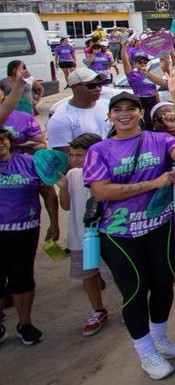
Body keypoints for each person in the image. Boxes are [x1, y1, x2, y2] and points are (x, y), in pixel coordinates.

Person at [84, 91, 175, 380]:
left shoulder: (160, 140)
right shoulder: (99, 150)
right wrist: (153, 184)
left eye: (131, 109)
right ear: (110, 116)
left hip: (160, 225)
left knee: (162, 284)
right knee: (135, 290)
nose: (125, 114)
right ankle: (145, 352)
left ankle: (159, 337)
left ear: (140, 113)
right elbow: (101, 190)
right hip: (119, 234)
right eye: (118, 109)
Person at [0, 126, 59, 346]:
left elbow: (49, 193)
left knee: (21, 276)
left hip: (24, 230)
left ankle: (25, 324)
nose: (0, 143)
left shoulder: (30, 163)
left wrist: (54, 223)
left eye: (3, 138)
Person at [56, 133, 110, 336]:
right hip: (81, 236)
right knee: (89, 275)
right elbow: (66, 206)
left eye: (80, 155)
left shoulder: (109, 172)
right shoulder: (72, 175)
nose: (75, 160)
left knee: (115, 273)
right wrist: (62, 189)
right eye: (72, 155)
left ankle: (128, 306)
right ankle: (98, 309)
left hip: (106, 233)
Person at [46, 68, 111, 153]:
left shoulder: (107, 105)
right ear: (75, 87)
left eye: (100, 84)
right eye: (91, 85)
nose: (98, 88)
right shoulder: (61, 118)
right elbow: (67, 157)